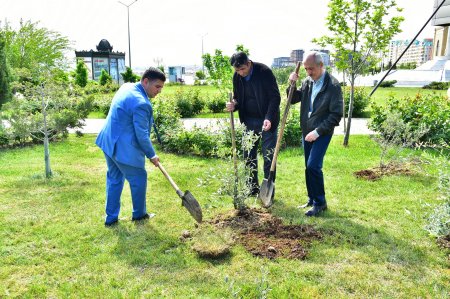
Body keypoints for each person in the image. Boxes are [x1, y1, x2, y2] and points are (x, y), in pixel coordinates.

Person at [95, 67, 166, 226]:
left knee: (114, 179)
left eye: (161, 87)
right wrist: (152, 155)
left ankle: (111, 218)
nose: (159, 91)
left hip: (109, 142)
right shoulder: (141, 103)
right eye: (157, 87)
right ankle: (139, 215)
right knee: (139, 178)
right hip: (122, 147)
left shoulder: (126, 86)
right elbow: (141, 135)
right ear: (145, 81)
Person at [289, 52, 343, 217]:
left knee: (313, 166)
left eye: (311, 69)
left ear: (321, 66)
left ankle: (320, 203)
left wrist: (318, 131)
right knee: (308, 167)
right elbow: (293, 99)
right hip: (307, 130)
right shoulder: (307, 82)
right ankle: (312, 198)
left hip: (322, 132)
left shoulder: (332, 85)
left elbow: (336, 114)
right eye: (305, 69)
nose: (308, 72)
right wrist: (291, 84)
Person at [226, 52, 281, 197]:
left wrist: (269, 117)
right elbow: (238, 98)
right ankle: (252, 188)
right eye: (237, 70)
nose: (240, 73)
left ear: (249, 63)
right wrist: (234, 105)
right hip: (249, 120)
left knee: (268, 156)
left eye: (242, 69)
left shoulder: (264, 72)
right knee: (248, 155)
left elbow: (275, 97)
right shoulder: (237, 77)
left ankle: (268, 190)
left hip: (267, 121)